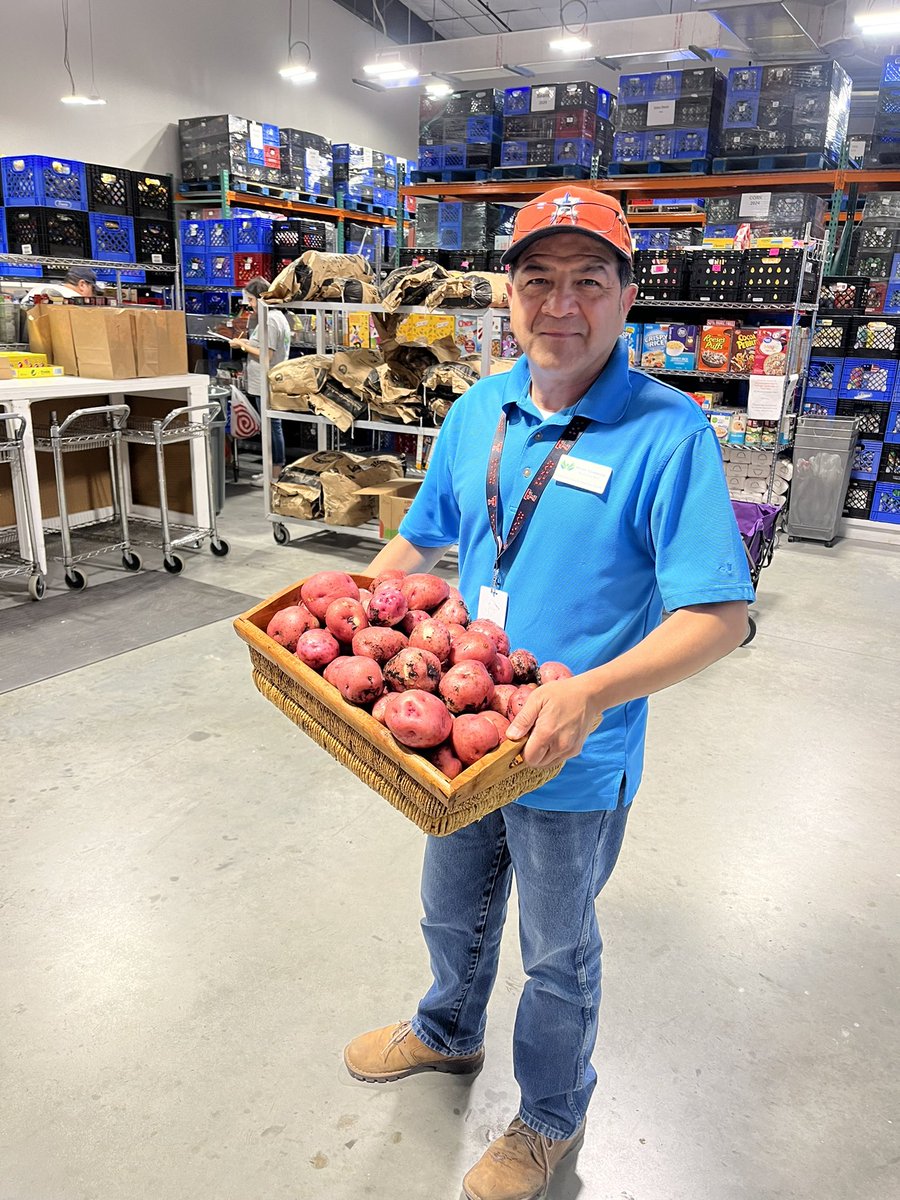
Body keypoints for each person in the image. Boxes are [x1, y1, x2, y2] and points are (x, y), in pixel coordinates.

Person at [343, 185, 755, 1200]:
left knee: (558, 952)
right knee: (450, 907)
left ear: (626, 299)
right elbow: (420, 540)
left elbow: (720, 616)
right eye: (538, 280)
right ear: (509, 295)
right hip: (460, 733)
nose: (560, 304)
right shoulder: (478, 409)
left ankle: (550, 1116)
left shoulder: (668, 433)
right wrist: (353, 616)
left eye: (588, 281)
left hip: (574, 753)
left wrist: (592, 695)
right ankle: (447, 1030)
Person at [228, 276, 292, 486]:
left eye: (251, 300)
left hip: (267, 380)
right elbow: (263, 346)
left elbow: (266, 355)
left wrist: (243, 346)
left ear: (261, 298)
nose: (250, 305)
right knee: (270, 426)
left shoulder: (271, 320)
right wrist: (247, 342)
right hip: (267, 380)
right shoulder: (274, 317)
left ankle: (274, 474)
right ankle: (270, 471)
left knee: (272, 427)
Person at [19, 265, 100, 307]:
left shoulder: (38, 288)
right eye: (92, 290)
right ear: (82, 285)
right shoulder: (74, 300)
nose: (92, 295)